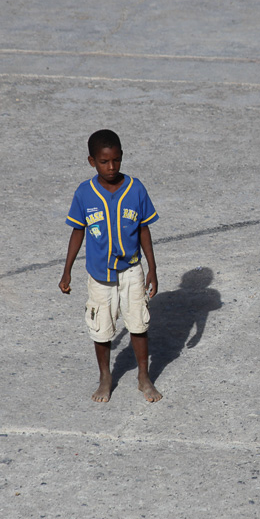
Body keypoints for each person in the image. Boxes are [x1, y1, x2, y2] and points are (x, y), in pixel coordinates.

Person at [59, 129, 162, 403]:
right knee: (102, 329)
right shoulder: (84, 193)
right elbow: (77, 232)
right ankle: (106, 376)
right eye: (104, 162)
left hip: (131, 271)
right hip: (99, 276)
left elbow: (143, 230)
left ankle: (143, 376)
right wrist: (67, 270)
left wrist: (151, 267)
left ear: (122, 157)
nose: (111, 167)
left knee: (139, 324)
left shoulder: (136, 188)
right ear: (92, 161)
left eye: (116, 160)